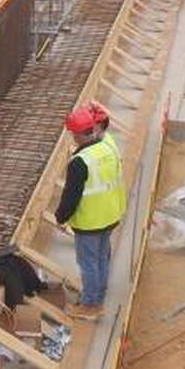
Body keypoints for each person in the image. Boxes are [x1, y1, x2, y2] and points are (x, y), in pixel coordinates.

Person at [53, 102, 126, 317]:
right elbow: (106, 122)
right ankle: (99, 292)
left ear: (77, 135)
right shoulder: (108, 144)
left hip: (91, 221)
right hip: (111, 213)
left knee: (88, 262)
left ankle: (91, 305)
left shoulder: (80, 162)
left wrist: (60, 217)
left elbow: (71, 196)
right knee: (102, 256)